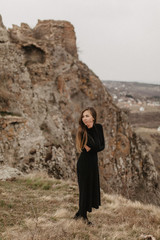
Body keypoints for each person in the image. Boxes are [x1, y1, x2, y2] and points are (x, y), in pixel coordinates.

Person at [74, 107, 105, 225]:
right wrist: (94, 148)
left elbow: (101, 147)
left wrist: (94, 148)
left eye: (87, 116)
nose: (84, 118)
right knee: (84, 190)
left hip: (93, 164)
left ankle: (79, 213)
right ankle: (83, 217)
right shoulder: (82, 132)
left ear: (93, 117)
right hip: (84, 164)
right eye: (83, 116)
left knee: (91, 188)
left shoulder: (99, 128)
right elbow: (91, 148)